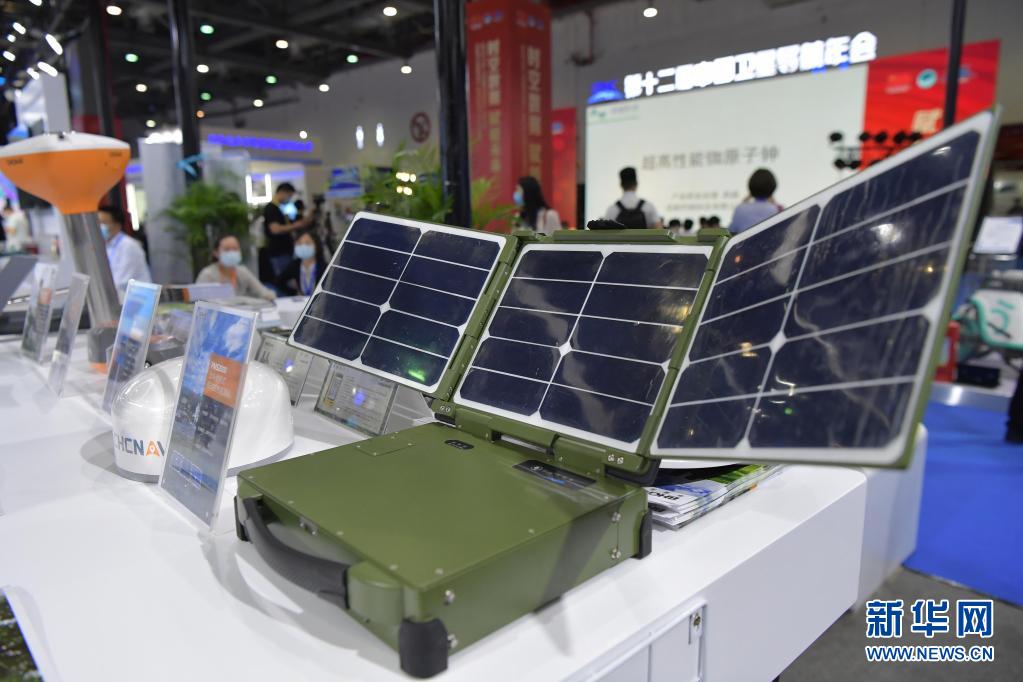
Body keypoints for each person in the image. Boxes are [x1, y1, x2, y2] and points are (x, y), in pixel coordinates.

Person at [197, 234, 275, 301]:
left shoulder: (242, 271)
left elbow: (265, 293)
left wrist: (268, 296)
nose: (232, 252)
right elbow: (197, 300)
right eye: (227, 249)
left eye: (235, 249)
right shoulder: (207, 274)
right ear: (216, 253)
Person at [263, 182, 312, 279]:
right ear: (282, 192)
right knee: (284, 279)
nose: (289, 199)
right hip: (279, 253)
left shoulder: (279, 208)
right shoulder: (271, 208)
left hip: (285, 251)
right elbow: (275, 229)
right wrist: (295, 226)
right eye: (289, 196)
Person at [98, 204, 152, 293]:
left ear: (117, 225)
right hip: (121, 295)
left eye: (103, 223)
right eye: (98, 223)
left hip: (137, 297)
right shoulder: (108, 245)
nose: (99, 227)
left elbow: (122, 282)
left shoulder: (129, 246)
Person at [729, 168, 782, 234]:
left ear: (750, 187)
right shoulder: (778, 209)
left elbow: (731, 232)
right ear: (772, 187)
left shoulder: (740, 209)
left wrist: (744, 201)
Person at [276, 230, 326, 296]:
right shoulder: (295, 265)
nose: (303, 246)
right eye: (299, 244)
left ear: (316, 245)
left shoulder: (324, 267)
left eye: (307, 243)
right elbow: (279, 281)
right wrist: (294, 293)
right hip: (303, 301)